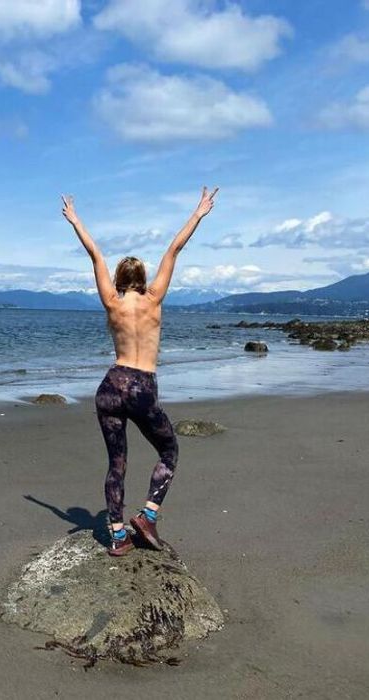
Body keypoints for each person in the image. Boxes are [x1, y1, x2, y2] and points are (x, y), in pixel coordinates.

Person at [60, 187, 218, 556]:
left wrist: (75, 220)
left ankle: (118, 536)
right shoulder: (154, 298)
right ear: (143, 277)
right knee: (169, 451)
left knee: (117, 463)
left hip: (110, 386)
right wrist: (198, 214)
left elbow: (95, 254)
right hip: (140, 388)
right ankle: (147, 516)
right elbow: (173, 250)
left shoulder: (111, 301)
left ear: (118, 278)